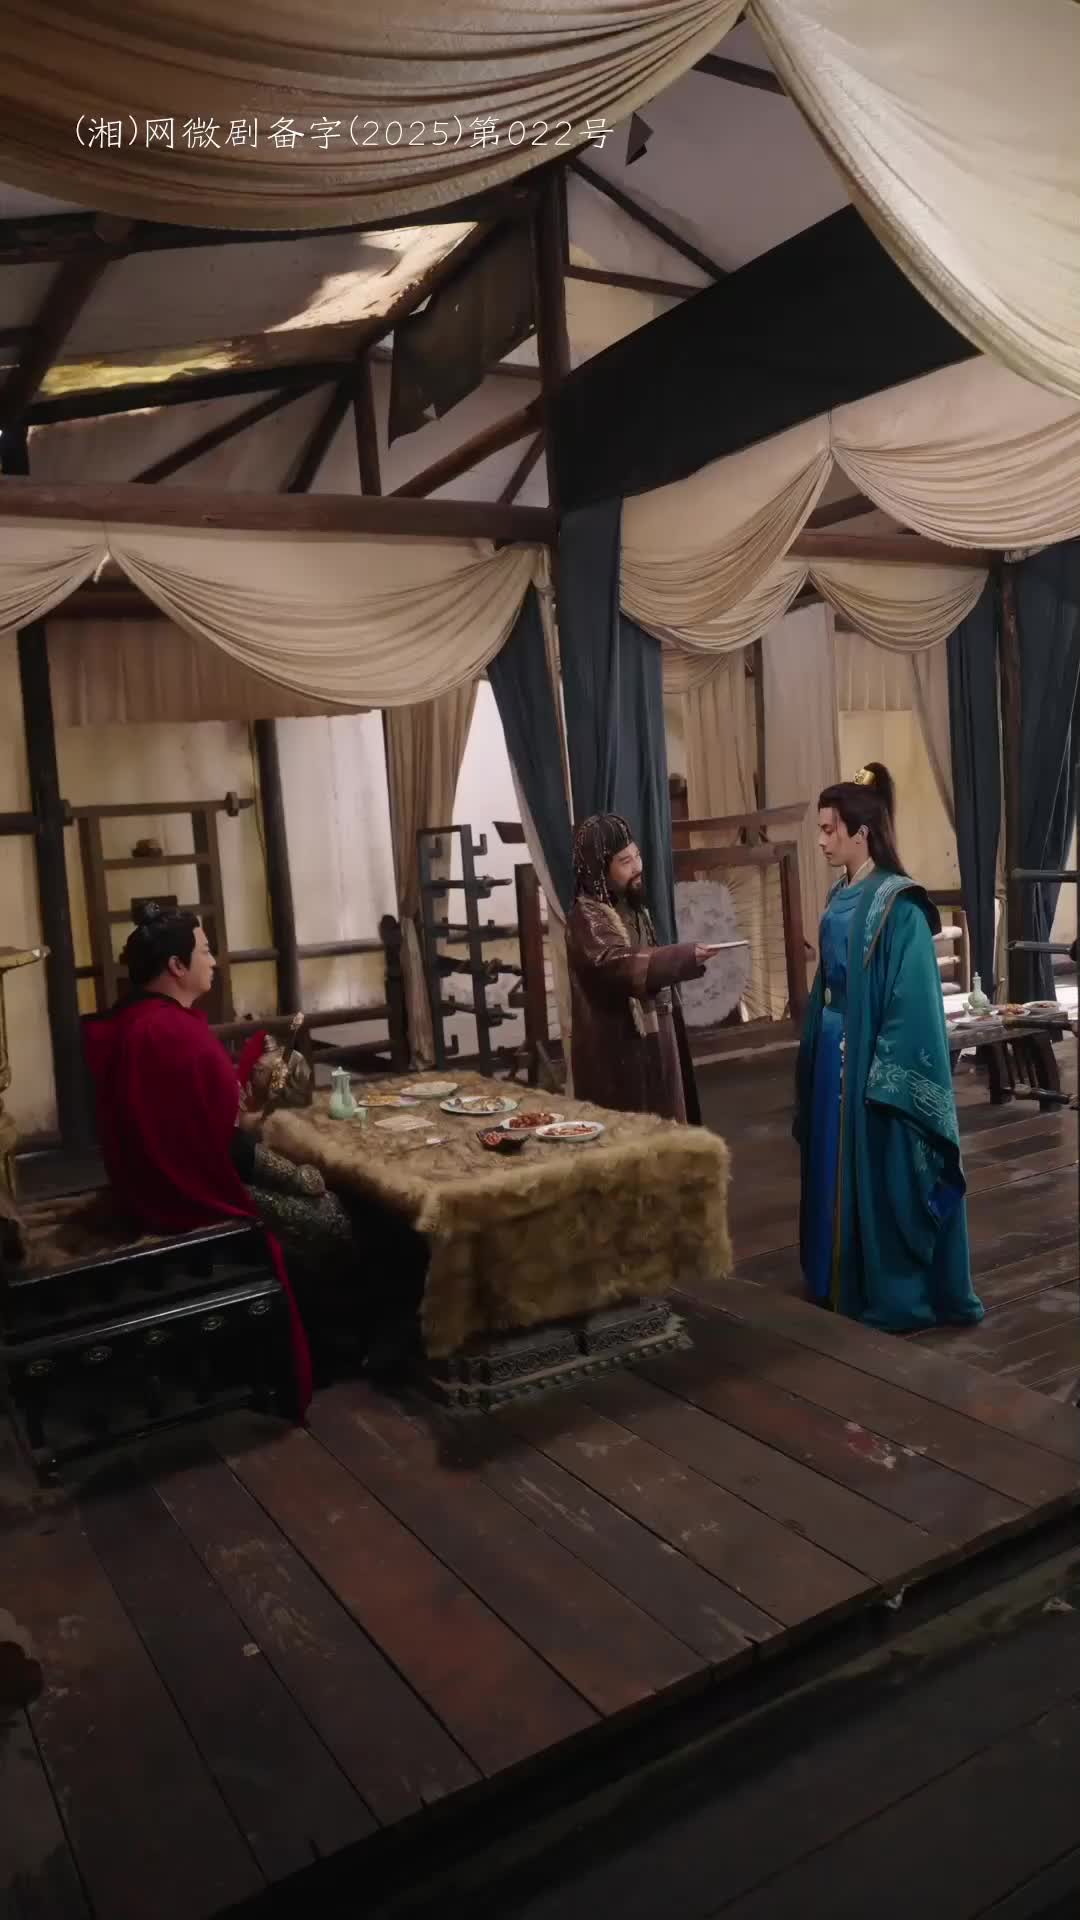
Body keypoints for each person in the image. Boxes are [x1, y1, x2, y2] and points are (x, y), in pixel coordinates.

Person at [83, 904, 314, 1411]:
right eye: (205, 951)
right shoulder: (176, 1036)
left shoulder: (137, 1019)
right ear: (176, 966)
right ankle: (329, 1345)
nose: (214, 961)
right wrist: (298, 1175)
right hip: (190, 1202)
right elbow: (226, 1147)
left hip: (151, 1188)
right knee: (331, 1216)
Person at [795, 764, 984, 1332]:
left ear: (862, 833)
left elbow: (913, 999)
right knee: (831, 1161)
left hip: (869, 1059)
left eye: (829, 829)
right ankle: (837, 1275)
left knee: (882, 1168)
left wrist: (884, 1069)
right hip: (833, 1051)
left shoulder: (899, 904)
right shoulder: (840, 892)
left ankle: (892, 1287)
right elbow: (828, 980)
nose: (821, 840)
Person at [566, 813, 728, 1121]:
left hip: (656, 1039)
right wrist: (683, 957)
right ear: (600, 868)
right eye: (625, 861)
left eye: (637, 856)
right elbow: (617, 964)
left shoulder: (632, 907)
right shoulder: (586, 919)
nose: (638, 867)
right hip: (618, 1049)